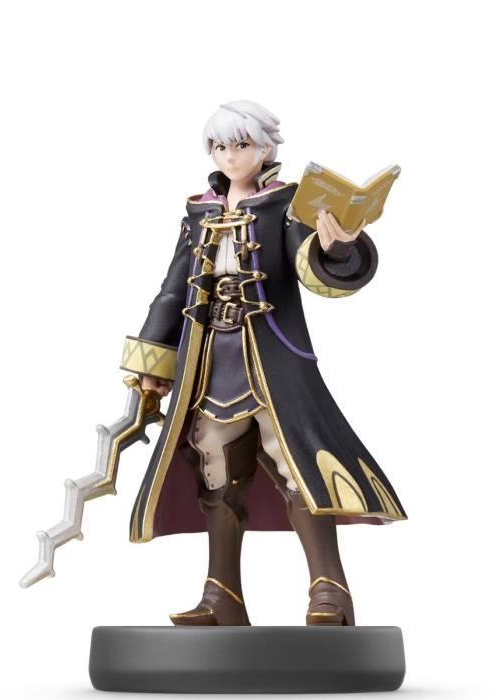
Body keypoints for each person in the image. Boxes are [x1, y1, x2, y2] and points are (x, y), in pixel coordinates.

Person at [120, 100, 406, 626]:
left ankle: (329, 591)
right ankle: (221, 597)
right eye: (220, 146)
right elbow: (173, 289)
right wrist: (152, 360)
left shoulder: (285, 207)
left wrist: (335, 247)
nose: (230, 156)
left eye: (241, 144)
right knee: (216, 474)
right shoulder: (199, 212)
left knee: (300, 470)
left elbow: (313, 269)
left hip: (272, 363)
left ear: (266, 147)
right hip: (210, 361)